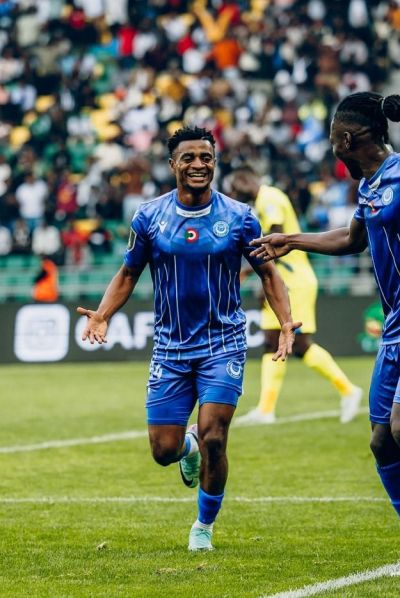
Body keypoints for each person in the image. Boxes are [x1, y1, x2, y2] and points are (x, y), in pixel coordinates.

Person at [250, 93, 400, 583]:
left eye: (332, 138)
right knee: (382, 441)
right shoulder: (370, 185)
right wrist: (290, 240)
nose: (331, 147)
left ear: (347, 138)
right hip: (397, 328)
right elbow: (352, 239)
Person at [77, 126, 300, 551]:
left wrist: (285, 321)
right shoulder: (149, 217)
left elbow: (268, 274)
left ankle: (203, 526)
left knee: (216, 434)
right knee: (164, 450)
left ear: (215, 163)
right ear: (172, 165)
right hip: (171, 348)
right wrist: (103, 314)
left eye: (206, 157)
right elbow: (128, 273)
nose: (199, 164)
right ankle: (188, 447)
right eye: (189, 158)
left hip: (223, 343)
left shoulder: (240, 216)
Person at [228, 167, 363, 424]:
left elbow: (274, 239)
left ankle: (348, 390)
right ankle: (265, 410)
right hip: (285, 280)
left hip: (293, 282)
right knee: (271, 342)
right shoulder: (265, 199)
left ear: (245, 181)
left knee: (300, 343)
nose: (235, 195)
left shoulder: (268, 198)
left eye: (235, 189)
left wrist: (262, 283)